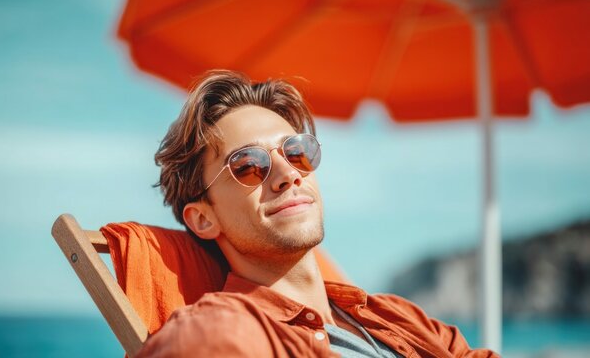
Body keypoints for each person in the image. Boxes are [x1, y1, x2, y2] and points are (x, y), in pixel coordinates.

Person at [137, 70, 498, 358]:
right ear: (203, 218)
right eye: (248, 164)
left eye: (296, 152)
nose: (288, 174)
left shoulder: (400, 317)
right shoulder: (225, 329)